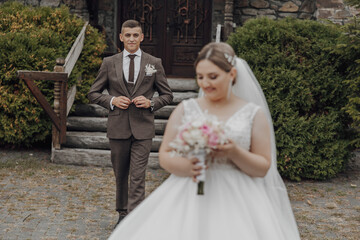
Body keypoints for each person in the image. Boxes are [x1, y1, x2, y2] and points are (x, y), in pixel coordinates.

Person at [108, 42, 300, 239]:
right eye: (200, 77)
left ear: (232, 75)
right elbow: (165, 156)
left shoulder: (252, 114)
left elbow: (262, 167)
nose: (205, 83)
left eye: (213, 77)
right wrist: (188, 166)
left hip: (238, 197)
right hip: (190, 191)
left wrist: (234, 152)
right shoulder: (186, 109)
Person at [88, 20, 173, 227]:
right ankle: (123, 212)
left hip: (143, 128)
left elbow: (167, 95)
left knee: (137, 175)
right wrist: (112, 101)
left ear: (142, 37)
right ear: (121, 37)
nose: (132, 39)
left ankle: (135, 217)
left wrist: (151, 102)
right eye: (128, 35)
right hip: (118, 128)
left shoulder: (154, 62)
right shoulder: (110, 63)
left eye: (136, 35)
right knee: (121, 175)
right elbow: (93, 93)